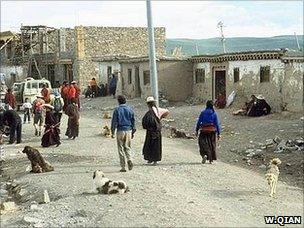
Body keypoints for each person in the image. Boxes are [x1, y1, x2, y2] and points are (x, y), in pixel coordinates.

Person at [111, 95, 135, 172]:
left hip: (120, 131)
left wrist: (112, 132)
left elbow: (114, 122)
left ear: (118, 101)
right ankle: (129, 159)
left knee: (120, 149)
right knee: (127, 147)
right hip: (128, 130)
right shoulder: (130, 109)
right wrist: (133, 131)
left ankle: (123, 167)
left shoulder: (117, 110)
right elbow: (133, 121)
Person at [142, 96, 169, 165]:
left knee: (149, 144)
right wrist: (160, 117)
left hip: (150, 131)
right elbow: (167, 111)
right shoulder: (158, 110)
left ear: (148, 104)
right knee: (156, 145)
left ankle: (150, 159)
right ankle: (155, 160)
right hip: (157, 131)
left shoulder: (149, 112)